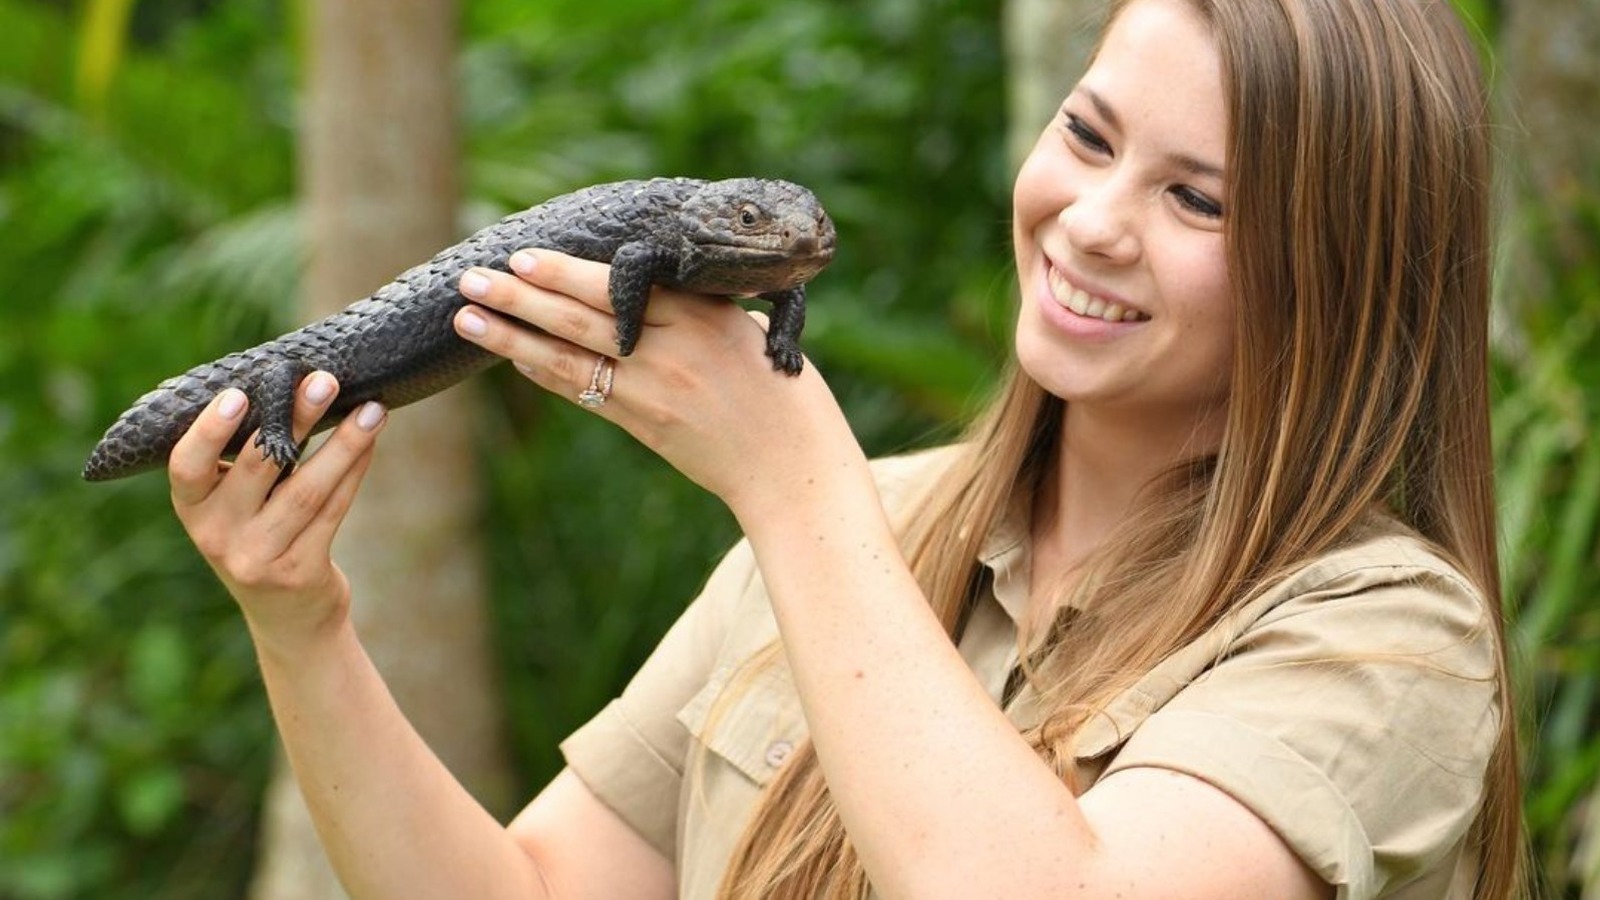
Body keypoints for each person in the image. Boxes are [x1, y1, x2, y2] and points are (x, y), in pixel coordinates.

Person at [164, 0, 1523, 896]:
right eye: (1087, 137)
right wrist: (303, 630)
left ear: (1342, 273)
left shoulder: (1384, 638)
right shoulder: (852, 525)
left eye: (1199, 199)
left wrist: (793, 486)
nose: (1093, 221)